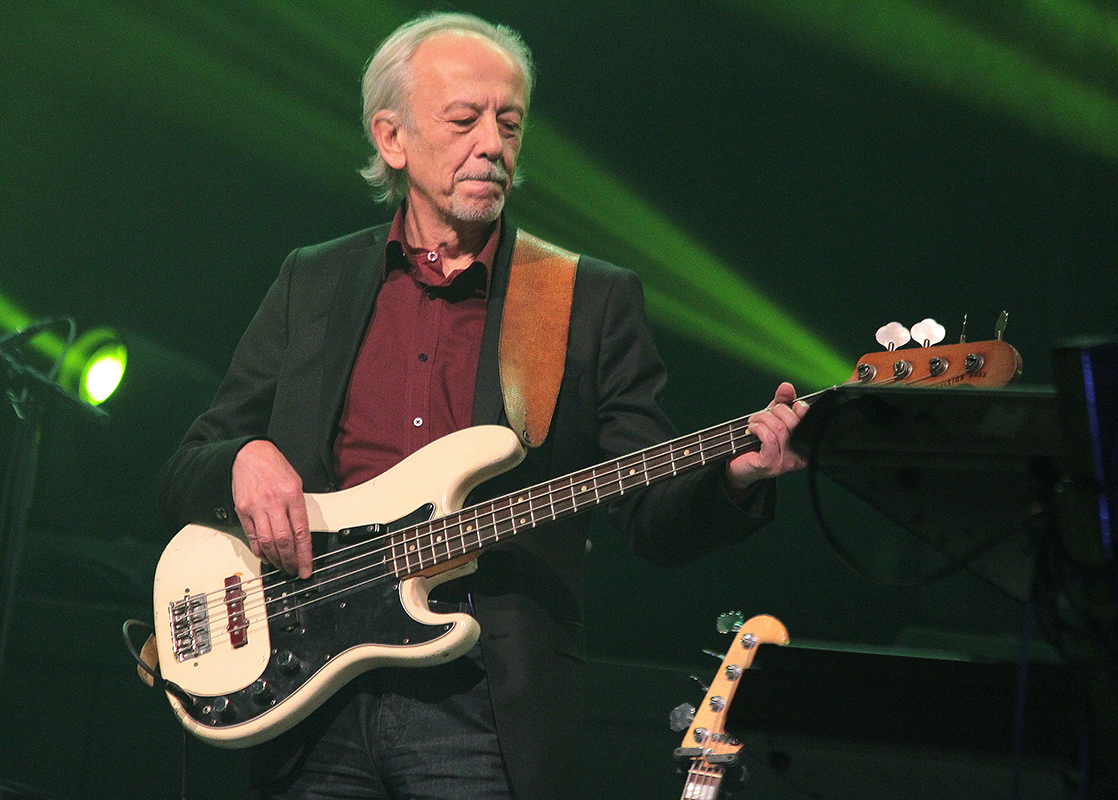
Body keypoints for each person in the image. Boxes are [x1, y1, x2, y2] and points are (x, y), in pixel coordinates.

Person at [159, 11, 807, 800]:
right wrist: (242, 461)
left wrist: (737, 478)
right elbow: (187, 467)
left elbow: (651, 517)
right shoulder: (313, 280)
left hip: (482, 705)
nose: (493, 145)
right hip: (307, 698)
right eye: (464, 120)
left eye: (510, 123)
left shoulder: (584, 299)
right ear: (392, 139)